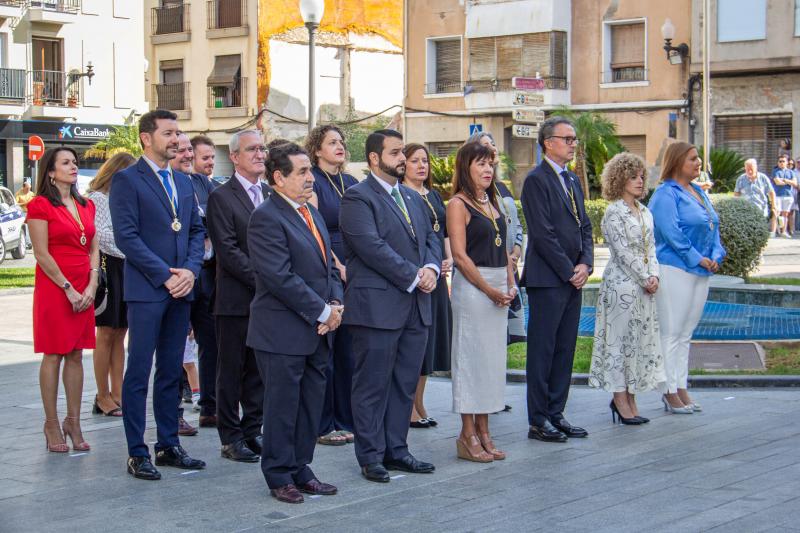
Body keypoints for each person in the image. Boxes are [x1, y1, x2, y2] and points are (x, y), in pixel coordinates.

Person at [339, 129, 441, 483]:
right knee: (372, 384)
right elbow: (370, 247)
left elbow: (431, 238)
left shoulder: (413, 198)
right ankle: (370, 456)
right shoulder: (357, 198)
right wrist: (414, 275)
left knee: (403, 383)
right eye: (396, 152)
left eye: (403, 151)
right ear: (373, 158)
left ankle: (397, 450)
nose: (403, 158)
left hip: (416, 306)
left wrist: (430, 268)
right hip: (377, 308)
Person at [110, 109, 206, 480]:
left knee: (170, 371)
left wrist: (191, 272)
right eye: (168, 133)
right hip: (149, 291)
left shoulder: (184, 182)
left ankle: (168, 445)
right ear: (146, 138)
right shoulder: (127, 180)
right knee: (139, 371)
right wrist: (165, 276)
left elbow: (196, 231)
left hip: (181, 290)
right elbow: (127, 237)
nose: (177, 140)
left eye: (178, 133)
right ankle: (138, 451)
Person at [246, 142, 343, 504]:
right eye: (302, 172)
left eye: (309, 171)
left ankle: (302, 467)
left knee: (309, 406)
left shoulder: (311, 213)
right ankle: (278, 474)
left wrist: (335, 304)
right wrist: (323, 311)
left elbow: (329, 266)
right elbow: (279, 277)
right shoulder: (267, 217)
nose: (310, 178)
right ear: (278, 177)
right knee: (283, 407)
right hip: (282, 332)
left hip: (318, 329)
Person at [521, 116, 593, 443]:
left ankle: (556, 413)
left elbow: (586, 227)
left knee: (565, 350)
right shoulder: (536, 180)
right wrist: (568, 270)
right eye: (568, 138)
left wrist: (585, 264)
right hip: (548, 280)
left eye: (574, 139)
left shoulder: (572, 180)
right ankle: (538, 420)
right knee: (543, 351)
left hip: (571, 278)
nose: (573, 143)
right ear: (549, 143)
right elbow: (543, 234)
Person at [447, 141, 516, 462]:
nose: (488, 170)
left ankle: (485, 431)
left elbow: (504, 249)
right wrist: (489, 290)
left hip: (499, 286)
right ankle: (467, 434)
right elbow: (459, 256)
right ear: (466, 167)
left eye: (490, 163)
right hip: (474, 290)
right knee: (471, 361)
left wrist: (511, 282)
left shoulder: (494, 201)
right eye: (480, 164)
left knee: (491, 363)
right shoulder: (458, 204)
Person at [28, 147, 99, 453]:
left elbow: (94, 248)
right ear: (51, 171)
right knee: (54, 353)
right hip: (56, 287)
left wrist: (92, 284)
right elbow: (41, 253)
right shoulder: (40, 205)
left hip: (85, 286)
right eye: (66, 163)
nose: (74, 167)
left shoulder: (86, 204)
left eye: (75, 162)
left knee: (76, 353)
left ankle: (74, 420)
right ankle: (51, 423)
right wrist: (68, 287)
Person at [206, 129, 270, 463]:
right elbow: (227, 251)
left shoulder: (271, 193)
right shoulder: (221, 197)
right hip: (235, 300)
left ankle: (252, 430)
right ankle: (230, 437)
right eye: (252, 150)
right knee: (231, 370)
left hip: (267, 303)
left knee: (258, 370)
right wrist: (267, 281)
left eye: (262, 149)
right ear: (234, 157)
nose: (260, 154)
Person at [649, 142, 726, 414]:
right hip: (675, 269)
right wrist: (697, 258)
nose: (698, 163)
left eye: (698, 159)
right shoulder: (665, 195)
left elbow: (713, 226)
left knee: (685, 334)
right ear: (678, 161)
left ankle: (681, 386)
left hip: (701, 271)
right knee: (671, 333)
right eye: (693, 159)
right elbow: (671, 233)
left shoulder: (697, 192)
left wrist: (716, 254)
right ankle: (668, 391)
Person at [589, 153, 664, 425]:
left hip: (644, 287)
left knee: (637, 343)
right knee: (618, 343)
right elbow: (621, 252)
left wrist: (654, 275)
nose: (639, 181)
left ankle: (632, 396)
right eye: (633, 177)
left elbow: (651, 248)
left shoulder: (644, 212)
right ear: (620, 180)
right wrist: (645, 277)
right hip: (622, 285)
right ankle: (619, 398)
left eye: (641, 176)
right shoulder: (614, 212)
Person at [305, 124, 356, 446]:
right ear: (317, 149)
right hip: (328, 268)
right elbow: (314, 227)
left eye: (341, 141)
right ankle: (323, 422)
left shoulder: (350, 182)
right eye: (331, 142)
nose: (339, 146)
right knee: (328, 351)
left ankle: (346, 417)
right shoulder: (312, 181)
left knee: (349, 351)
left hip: (355, 269)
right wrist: (338, 267)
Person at [402, 143, 452, 429]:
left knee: (430, 345)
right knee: (415, 346)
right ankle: (407, 405)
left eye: (425, 161)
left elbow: (441, 231)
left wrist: (447, 260)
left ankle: (419, 402)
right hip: (417, 275)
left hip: (437, 274)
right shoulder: (403, 196)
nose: (421, 166)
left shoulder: (433, 195)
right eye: (414, 161)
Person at [172, 133, 219, 429]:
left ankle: (210, 408)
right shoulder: (166, 186)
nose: (188, 155)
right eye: (182, 150)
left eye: (191, 149)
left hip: (208, 277)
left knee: (212, 343)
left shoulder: (204, 183)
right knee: (174, 346)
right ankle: (173, 411)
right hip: (178, 277)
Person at [87, 152, 136, 417]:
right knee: (106, 333)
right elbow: (100, 235)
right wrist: (132, 245)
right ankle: (102, 395)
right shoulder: (98, 198)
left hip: (125, 268)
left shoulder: (121, 200)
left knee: (120, 333)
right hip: (109, 268)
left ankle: (117, 393)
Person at [468, 131, 525, 343]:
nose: (493, 148)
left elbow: (516, 221)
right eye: (485, 145)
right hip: (490, 266)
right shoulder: (475, 192)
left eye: (493, 144)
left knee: (505, 335)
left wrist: (517, 250)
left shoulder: (501, 186)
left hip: (510, 265)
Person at [734, 159, 776, 227]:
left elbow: (771, 192)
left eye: (752, 169)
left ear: (756, 168)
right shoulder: (741, 179)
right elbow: (736, 194)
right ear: (745, 168)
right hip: (746, 211)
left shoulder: (763, 178)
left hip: (761, 210)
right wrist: (736, 207)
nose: (750, 171)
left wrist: (773, 206)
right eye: (748, 169)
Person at [771, 155, 796, 238]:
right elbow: (777, 182)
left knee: (785, 214)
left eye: (783, 161)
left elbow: (795, 183)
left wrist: (785, 180)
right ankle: (774, 231)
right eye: (780, 161)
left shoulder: (791, 172)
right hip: (778, 195)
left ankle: (783, 231)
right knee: (776, 214)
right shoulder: (775, 171)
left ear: (787, 162)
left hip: (788, 196)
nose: (781, 163)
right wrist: (789, 182)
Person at [15, 178, 35, 248]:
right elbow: (16, 204)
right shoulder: (18, 193)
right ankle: (28, 243)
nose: (28, 190)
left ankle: (30, 242)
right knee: (25, 227)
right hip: (23, 213)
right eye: (27, 188)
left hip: (31, 212)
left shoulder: (32, 194)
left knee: (32, 228)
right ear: (23, 187)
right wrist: (25, 203)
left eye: (29, 188)